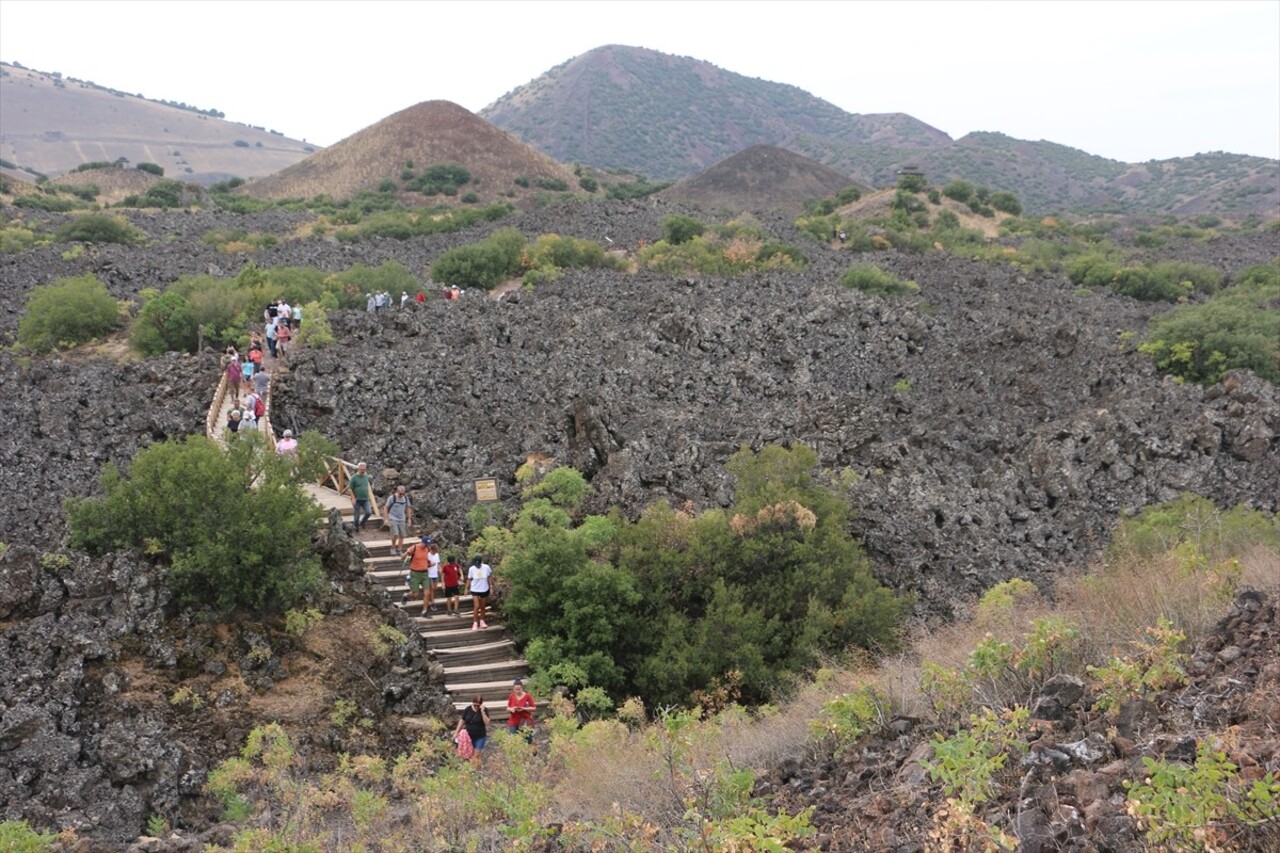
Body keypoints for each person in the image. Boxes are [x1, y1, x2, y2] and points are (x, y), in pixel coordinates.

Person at [454, 696, 490, 765]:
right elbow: (462, 720)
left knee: (477, 753)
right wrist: (456, 732)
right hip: (468, 736)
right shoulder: (468, 709)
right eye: (475, 705)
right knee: (468, 753)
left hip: (480, 736)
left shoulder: (484, 710)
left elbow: (487, 722)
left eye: (478, 706)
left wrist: (482, 712)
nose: (476, 707)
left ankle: (476, 767)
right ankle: (470, 768)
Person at [402, 535, 433, 611]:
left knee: (427, 593)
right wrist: (407, 553)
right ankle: (406, 595)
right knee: (415, 594)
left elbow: (426, 559)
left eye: (427, 545)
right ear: (422, 542)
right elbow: (402, 557)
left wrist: (429, 563)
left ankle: (424, 611)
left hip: (425, 573)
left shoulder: (427, 549)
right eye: (425, 544)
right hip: (415, 573)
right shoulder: (414, 548)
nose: (426, 546)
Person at [384, 485, 413, 556]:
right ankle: (393, 547)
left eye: (403, 493)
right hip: (393, 518)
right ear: (397, 491)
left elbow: (408, 508)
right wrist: (386, 519)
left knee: (402, 535)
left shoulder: (405, 498)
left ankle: (399, 549)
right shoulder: (392, 498)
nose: (402, 495)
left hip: (402, 518)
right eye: (400, 493)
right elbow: (386, 508)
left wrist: (409, 519)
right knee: (395, 534)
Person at [346, 461, 373, 531]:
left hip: (365, 499)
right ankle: (356, 528)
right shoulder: (354, 477)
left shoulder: (366, 476)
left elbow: (368, 485)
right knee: (356, 515)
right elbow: (350, 489)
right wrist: (353, 498)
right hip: (357, 499)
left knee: (369, 512)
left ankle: (363, 522)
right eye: (362, 469)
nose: (363, 471)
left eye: (364, 469)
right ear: (358, 468)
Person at [468, 556, 492, 631]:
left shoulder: (486, 567)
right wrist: (466, 589)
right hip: (475, 589)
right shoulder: (471, 569)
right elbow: (469, 579)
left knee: (483, 606)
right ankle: (475, 622)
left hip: (484, 588)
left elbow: (489, 577)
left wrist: (491, 587)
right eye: (476, 564)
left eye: (478, 564)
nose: (477, 566)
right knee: (476, 606)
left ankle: (482, 620)